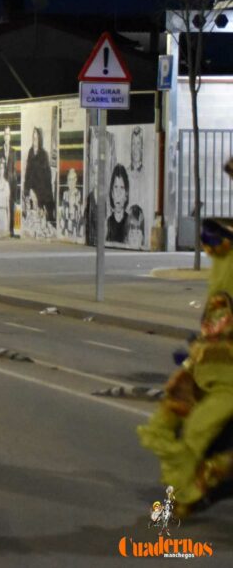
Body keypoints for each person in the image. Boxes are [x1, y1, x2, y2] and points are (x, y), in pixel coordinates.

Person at [137, 214, 233, 518]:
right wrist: (202, 344)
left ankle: (199, 486)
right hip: (215, 369)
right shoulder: (224, 267)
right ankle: (194, 487)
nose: (210, 244)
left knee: (198, 428)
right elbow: (217, 314)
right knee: (183, 415)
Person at [23, 127, 54, 226]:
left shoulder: (44, 154)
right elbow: (27, 174)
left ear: (40, 139)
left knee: (42, 221)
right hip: (31, 194)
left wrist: (39, 197)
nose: (34, 141)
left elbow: (47, 178)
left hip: (41, 194)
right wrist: (28, 191)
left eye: (36, 138)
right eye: (33, 138)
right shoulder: (30, 152)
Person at [106, 164, 130, 244]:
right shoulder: (107, 223)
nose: (118, 193)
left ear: (126, 194)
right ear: (112, 193)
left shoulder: (130, 222)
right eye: (116, 187)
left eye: (122, 188)